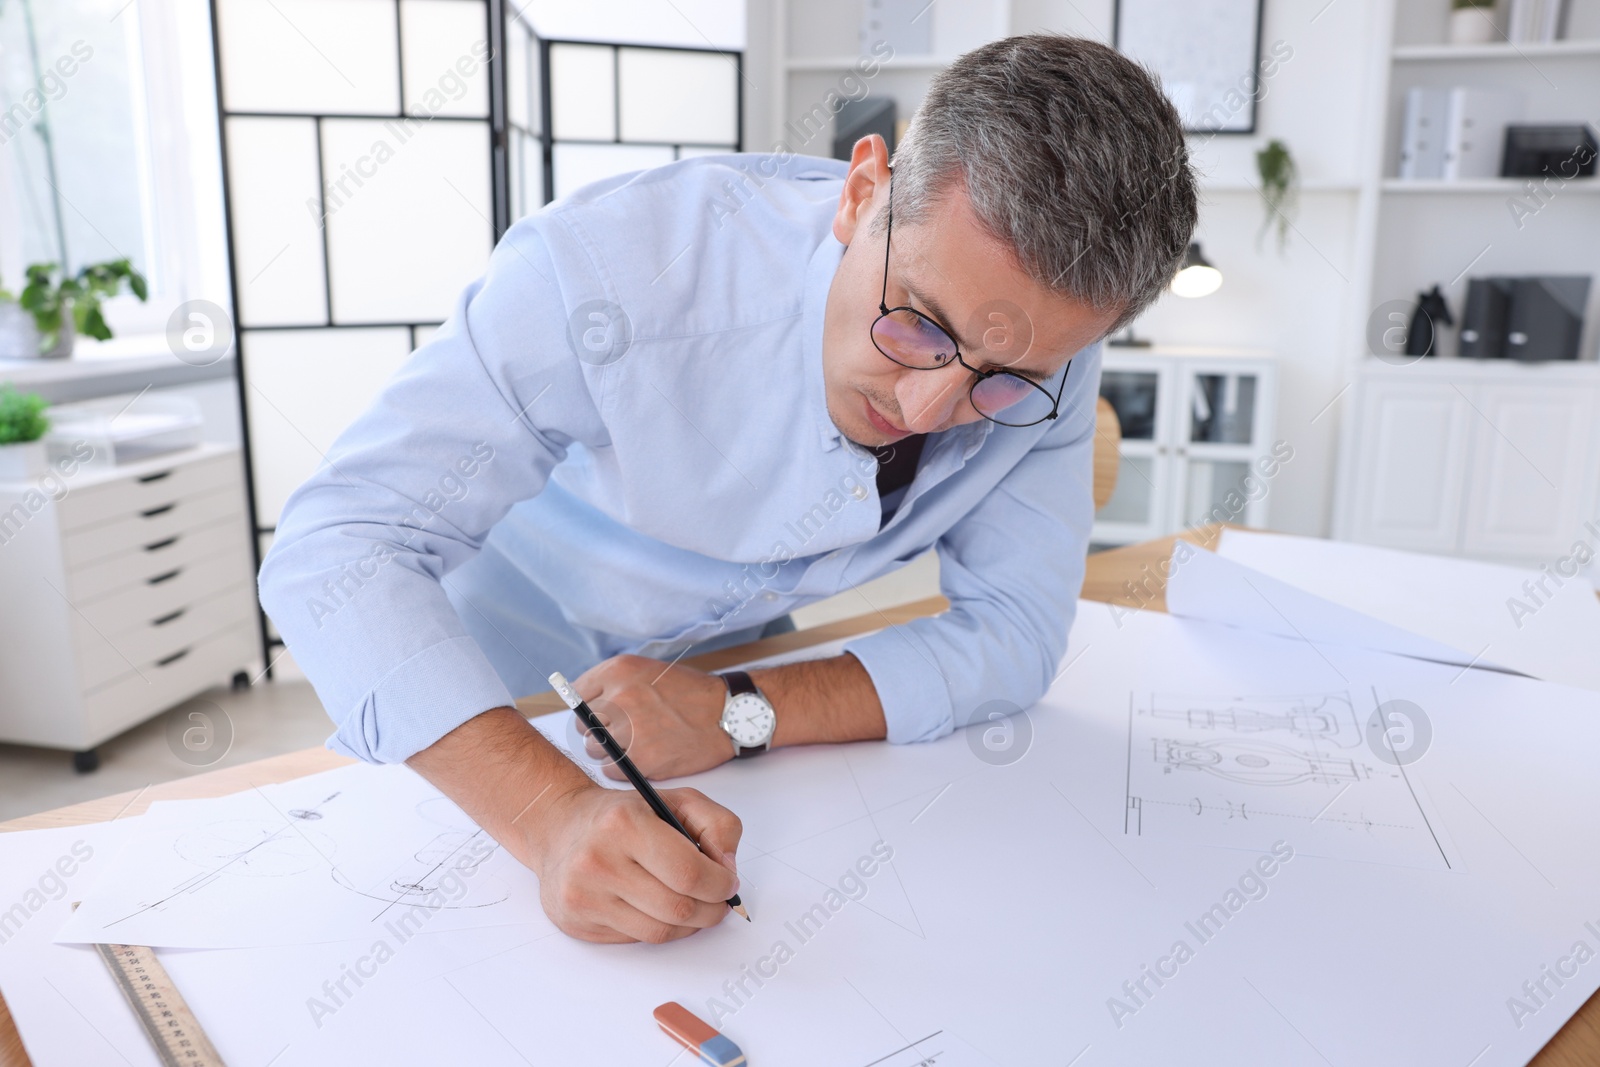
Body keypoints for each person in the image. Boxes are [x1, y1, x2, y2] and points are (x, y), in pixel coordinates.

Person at [257, 33, 1197, 945]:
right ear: (862, 192)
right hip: (492, 672)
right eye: (915, 321)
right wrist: (548, 815)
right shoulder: (608, 273)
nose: (924, 404)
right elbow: (338, 547)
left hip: (727, 670)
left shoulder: (1053, 358)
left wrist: (743, 708)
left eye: (1001, 377)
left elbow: (1016, 632)